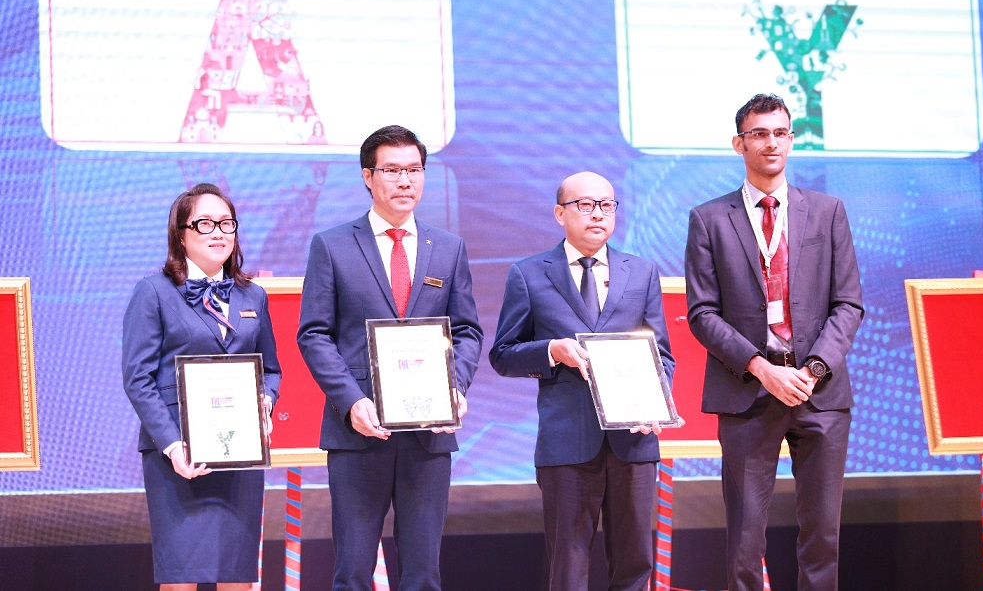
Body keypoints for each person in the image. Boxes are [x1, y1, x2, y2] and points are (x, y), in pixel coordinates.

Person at [684, 93, 864, 591]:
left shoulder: (827, 211)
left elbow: (848, 304)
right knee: (744, 543)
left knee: (822, 537)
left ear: (791, 140)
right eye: (759, 134)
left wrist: (813, 370)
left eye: (780, 133)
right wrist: (762, 368)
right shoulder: (709, 218)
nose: (771, 143)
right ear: (738, 143)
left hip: (818, 391)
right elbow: (702, 314)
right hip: (747, 390)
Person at [297, 125, 483, 591]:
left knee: (423, 573)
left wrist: (455, 387)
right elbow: (314, 334)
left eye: (414, 170)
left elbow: (467, 331)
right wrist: (351, 401)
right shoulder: (332, 246)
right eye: (392, 170)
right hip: (358, 430)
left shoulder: (449, 248)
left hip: (429, 435)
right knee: (353, 570)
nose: (405, 181)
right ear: (368, 176)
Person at [490, 171, 675, 591]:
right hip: (567, 442)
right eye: (586, 205)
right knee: (569, 567)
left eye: (606, 205)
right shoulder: (529, 274)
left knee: (634, 565)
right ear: (560, 213)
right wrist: (550, 351)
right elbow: (502, 354)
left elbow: (661, 354)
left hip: (634, 441)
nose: (598, 214)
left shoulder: (642, 272)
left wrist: (657, 400)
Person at [122, 183, 281, 590]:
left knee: (236, 576)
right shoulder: (153, 292)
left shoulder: (253, 296)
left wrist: (264, 400)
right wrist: (173, 446)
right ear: (181, 234)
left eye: (226, 223)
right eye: (205, 223)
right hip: (178, 458)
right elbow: (138, 379)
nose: (218, 233)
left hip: (239, 455)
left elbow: (271, 370)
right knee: (181, 577)